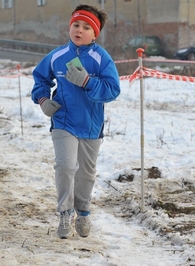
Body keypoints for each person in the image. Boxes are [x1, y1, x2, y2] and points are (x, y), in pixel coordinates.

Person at [31, 4, 120, 239]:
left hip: (91, 125)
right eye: (76, 25)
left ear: (95, 33)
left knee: (86, 174)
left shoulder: (101, 58)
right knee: (65, 166)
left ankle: (83, 212)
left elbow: (112, 90)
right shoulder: (57, 56)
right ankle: (64, 213)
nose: (79, 30)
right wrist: (42, 100)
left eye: (86, 27)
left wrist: (88, 82)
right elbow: (40, 78)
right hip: (63, 121)